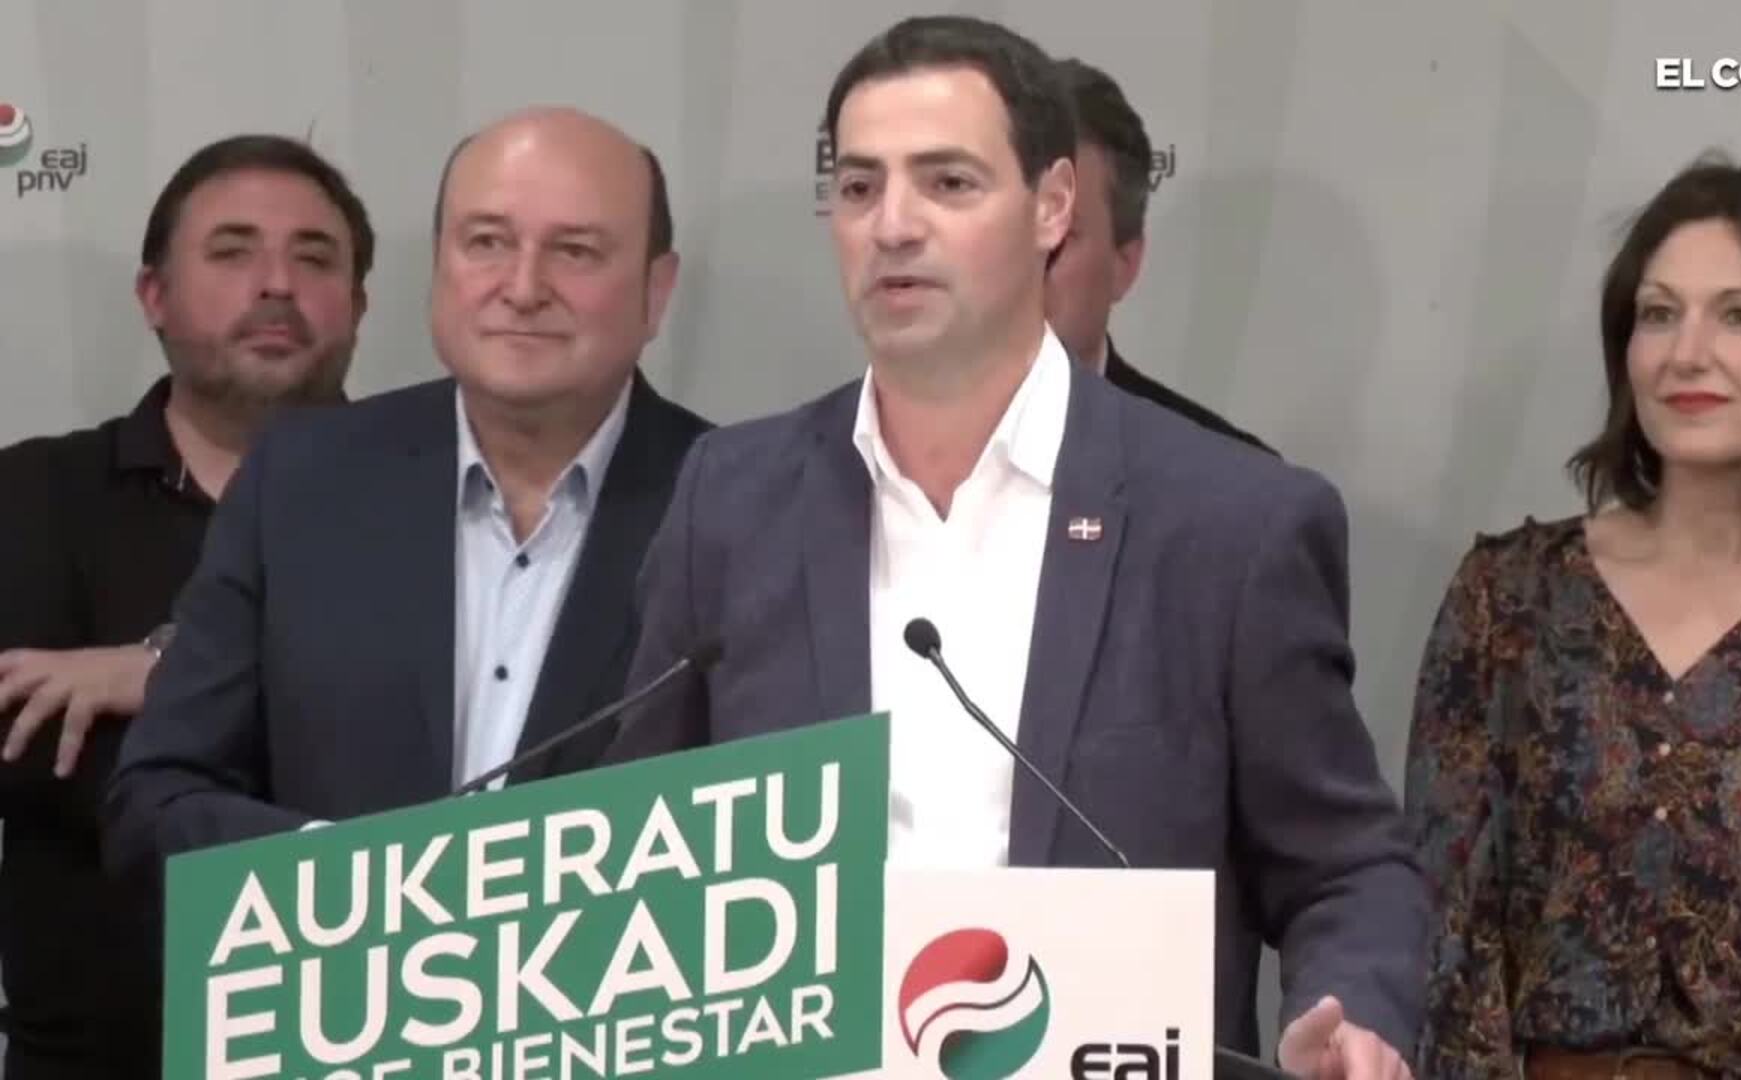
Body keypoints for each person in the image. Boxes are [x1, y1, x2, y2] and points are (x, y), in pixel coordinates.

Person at [602, 16, 1424, 1077]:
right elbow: (637, 853)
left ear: (1053, 207)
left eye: (947, 182)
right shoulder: (732, 500)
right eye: (858, 187)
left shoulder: (1228, 523)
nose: (892, 225)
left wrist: (1353, 1016)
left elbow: (1344, 866)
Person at [1405, 155, 1741, 1078]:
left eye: (1740, 315)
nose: (1687, 353)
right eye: (1658, 313)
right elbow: (1446, 926)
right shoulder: (1508, 600)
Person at [104, 108, 710, 871]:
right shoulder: (299, 480)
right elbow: (159, 797)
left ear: (657, 289)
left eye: (575, 251)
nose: (523, 288)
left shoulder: (737, 502)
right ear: (438, 265)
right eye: (486, 243)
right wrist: (359, 884)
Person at [0, 134, 371, 1079]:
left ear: (360, 305)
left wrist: (159, 673)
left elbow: (426, 773)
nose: (277, 284)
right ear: (153, 295)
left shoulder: (436, 503)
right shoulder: (31, 495)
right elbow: (43, 757)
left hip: (373, 1042)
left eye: (315, 258)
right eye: (233, 251)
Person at [1043, 56, 1269, 451]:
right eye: (998, 231)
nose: (1014, 264)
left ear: (1125, 265)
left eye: (1058, 234)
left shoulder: (1228, 472)